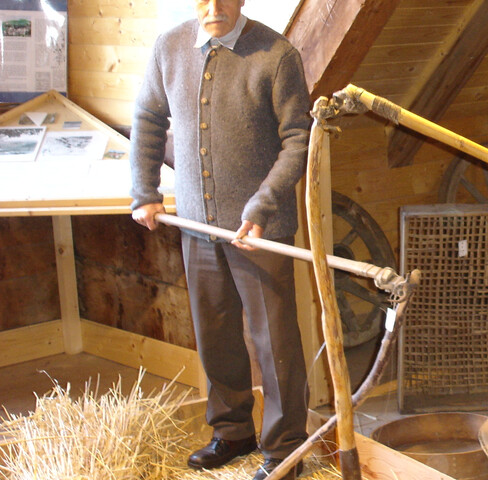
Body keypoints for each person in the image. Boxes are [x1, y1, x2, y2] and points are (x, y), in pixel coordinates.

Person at [129, 0, 312, 478]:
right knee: (215, 335)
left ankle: (284, 450)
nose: (213, 7)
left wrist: (261, 205)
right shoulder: (169, 48)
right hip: (197, 225)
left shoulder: (277, 55)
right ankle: (232, 432)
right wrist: (144, 190)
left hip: (262, 232)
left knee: (275, 344)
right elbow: (148, 118)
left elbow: (299, 138)